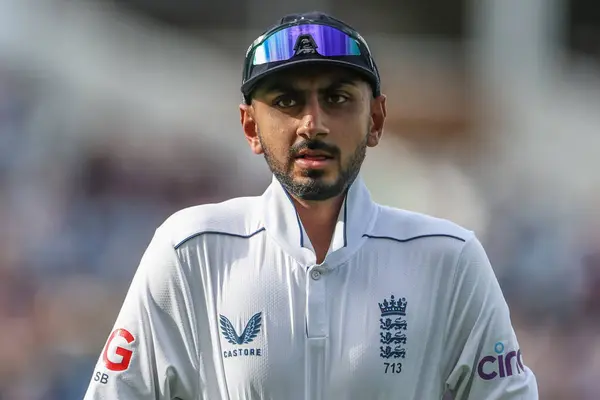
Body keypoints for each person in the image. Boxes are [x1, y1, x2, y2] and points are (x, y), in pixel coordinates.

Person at [84, 11, 538, 400]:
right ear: (250, 128)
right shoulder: (190, 251)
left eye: (337, 98)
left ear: (376, 119)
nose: (312, 123)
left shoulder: (449, 258)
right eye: (286, 100)